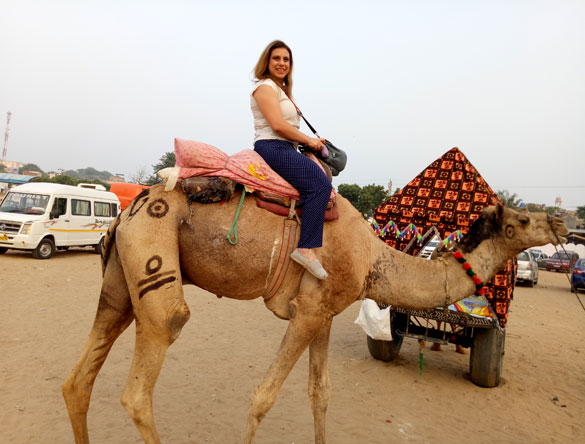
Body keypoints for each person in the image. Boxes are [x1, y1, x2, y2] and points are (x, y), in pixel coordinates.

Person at [251, 40, 332, 280]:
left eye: (286, 59)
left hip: (287, 147)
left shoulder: (282, 91)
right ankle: (305, 248)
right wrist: (309, 141)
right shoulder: (265, 88)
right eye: (276, 58)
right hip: (273, 147)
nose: (281, 63)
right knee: (320, 186)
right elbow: (277, 125)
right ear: (267, 61)